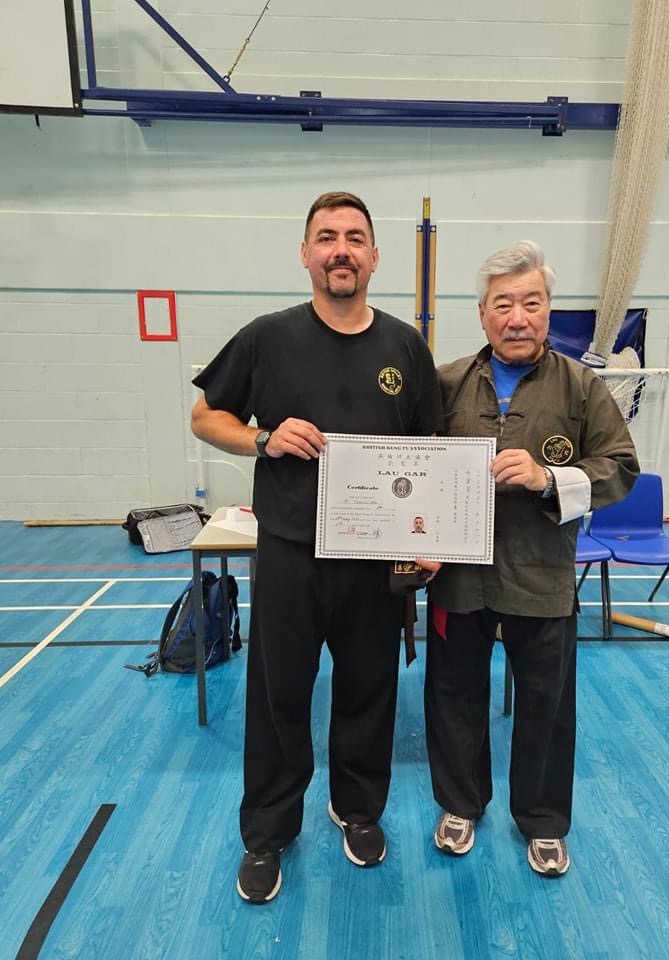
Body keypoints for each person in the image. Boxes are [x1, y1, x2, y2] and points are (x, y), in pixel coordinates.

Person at [191, 191, 442, 903]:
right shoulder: (267, 338)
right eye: (327, 236)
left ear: (373, 256)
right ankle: (269, 832)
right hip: (292, 554)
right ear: (305, 253)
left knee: (371, 690)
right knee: (279, 698)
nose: (341, 249)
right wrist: (261, 437)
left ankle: (356, 808)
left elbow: (428, 449)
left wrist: (428, 536)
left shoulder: (404, 346)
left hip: (374, 560)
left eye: (355, 237)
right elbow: (205, 415)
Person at [425, 242, 639, 876]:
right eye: (503, 305)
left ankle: (543, 821)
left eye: (531, 303)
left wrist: (551, 477)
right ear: (483, 314)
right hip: (459, 580)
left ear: (548, 311)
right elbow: (411, 463)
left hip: (542, 578)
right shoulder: (448, 382)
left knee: (546, 703)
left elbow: (621, 469)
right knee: (454, 694)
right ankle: (460, 805)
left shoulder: (582, 387)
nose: (517, 317)